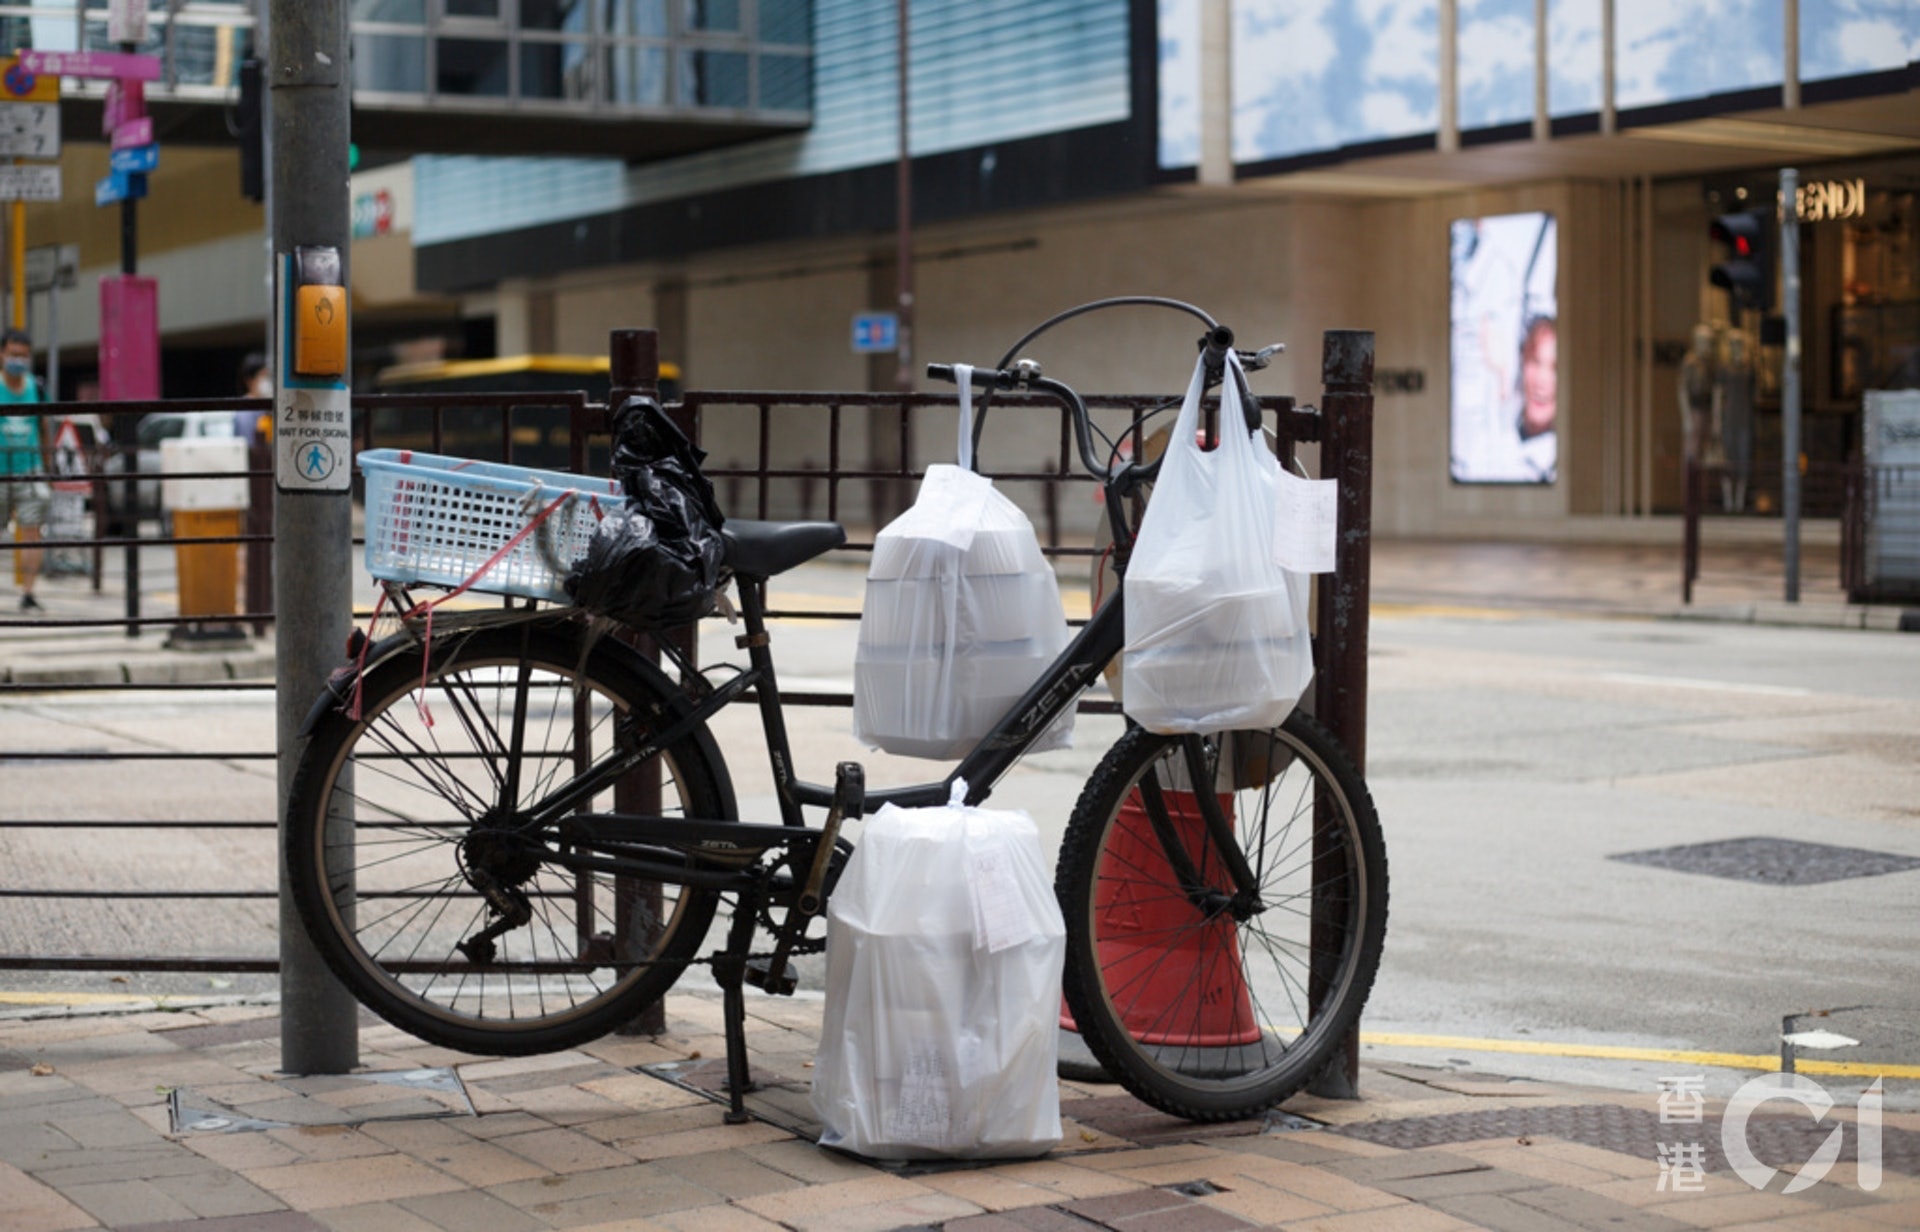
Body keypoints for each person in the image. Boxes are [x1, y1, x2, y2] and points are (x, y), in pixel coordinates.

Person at [0, 327, 49, 610]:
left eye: (23, 355)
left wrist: (49, 469)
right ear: (2, 354)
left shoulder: (37, 388)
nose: (18, 359)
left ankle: (28, 594)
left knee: (32, 534)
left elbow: (44, 428)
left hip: (31, 470)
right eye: (13, 354)